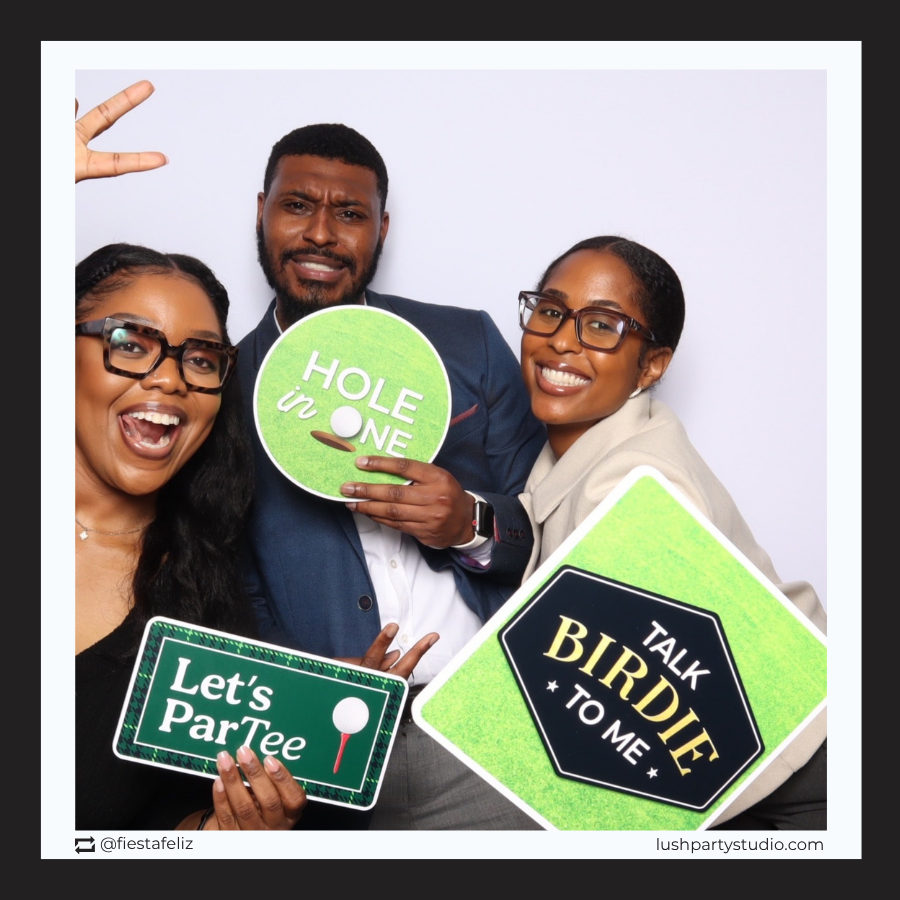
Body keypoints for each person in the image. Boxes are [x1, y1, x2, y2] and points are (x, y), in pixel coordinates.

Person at [74, 85, 435, 831]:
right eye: (130, 344)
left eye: (201, 358)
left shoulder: (205, 603)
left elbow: (138, 833)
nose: (169, 377)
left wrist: (236, 824)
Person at [238, 123, 547, 829]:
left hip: (492, 722)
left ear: (382, 226)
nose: (321, 233)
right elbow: (221, 588)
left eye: (349, 214)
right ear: (261, 211)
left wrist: (470, 522)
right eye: (297, 206)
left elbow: (559, 528)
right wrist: (313, 699)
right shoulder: (217, 390)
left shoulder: (467, 343)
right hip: (325, 750)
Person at [515, 234, 827, 829]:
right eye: (552, 311)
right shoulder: (598, 442)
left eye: (602, 325)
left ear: (652, 365)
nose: (561, 338)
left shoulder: (634, 483)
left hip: (804, 770)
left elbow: (639, 684)